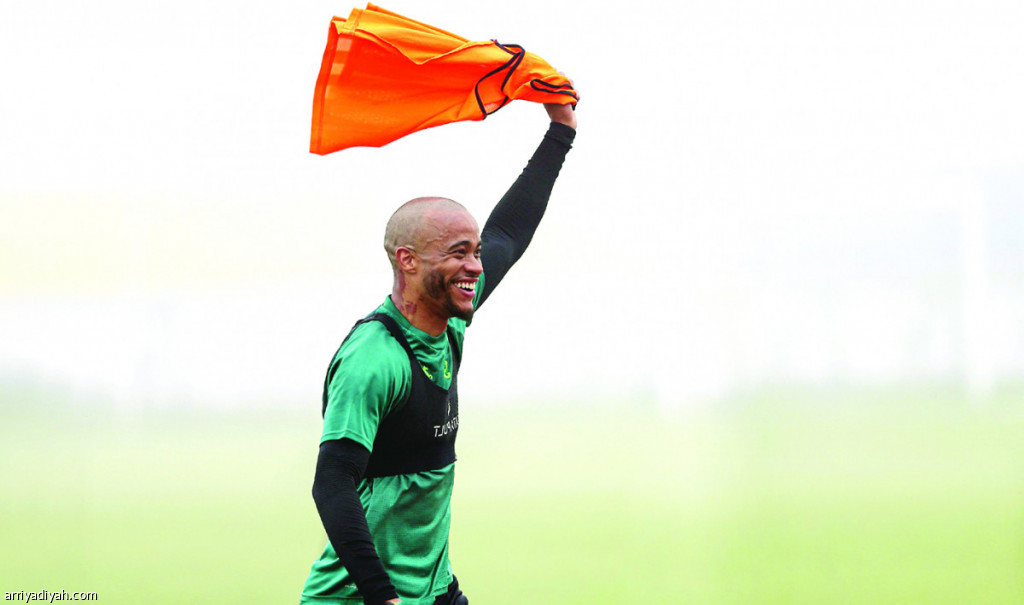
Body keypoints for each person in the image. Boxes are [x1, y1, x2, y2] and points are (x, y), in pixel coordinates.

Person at [299, 102, 577, 605]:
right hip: (363, 598)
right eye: (458, 252)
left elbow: (508, 234)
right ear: (408, 261)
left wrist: (561, 131)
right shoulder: (374, 359)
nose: (475, 266)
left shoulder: (450, 321)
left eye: (474, 251)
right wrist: (383, 597)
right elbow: (333, 483)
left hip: (434, 590)